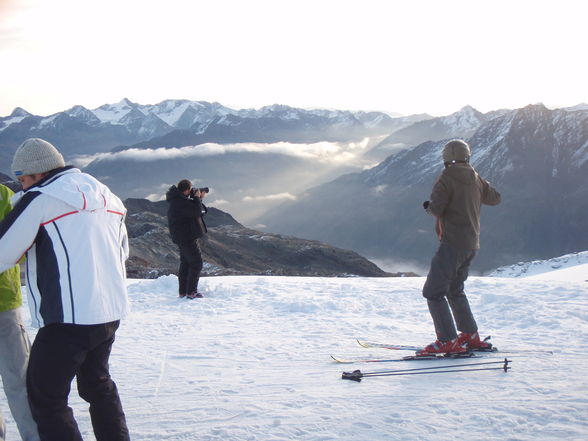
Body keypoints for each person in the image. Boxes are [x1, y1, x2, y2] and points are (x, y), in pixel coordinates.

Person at [0, 138, 131, 441]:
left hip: (66, 319)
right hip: (109, 313)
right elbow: (121, 251)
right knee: (97, 385)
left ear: (36, 173)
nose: (20, 186)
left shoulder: (40, 198)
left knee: (45, 399)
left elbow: (4, 252)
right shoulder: (107, 195)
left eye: (22, 179)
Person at [418, 139, 501, 355]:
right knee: (455, 289)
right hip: (471, 244)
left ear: (446, 159)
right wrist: (479, 185)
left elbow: (436, 208)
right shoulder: (475, 177)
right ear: (468, 156)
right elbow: (494, 198)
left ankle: (447, 340)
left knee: (433, 291)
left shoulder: (446, 178)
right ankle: (470, 336)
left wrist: (428, 208)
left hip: (452, 243)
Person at [0, 183, 40, 441]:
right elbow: (21, 247)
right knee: (19, 381)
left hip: (5, 303)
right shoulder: (4, 195)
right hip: (4, 300)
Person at [166, 179, 208, 299]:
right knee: (196, 263)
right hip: (187, 237)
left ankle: (183, 291)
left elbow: (198, 211)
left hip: (181, 237)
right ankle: (191, 292)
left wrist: (198, 199)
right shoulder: (180, 202)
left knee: (186, 263)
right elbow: (197, 212)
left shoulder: (178, 200)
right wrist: (197, 198)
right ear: (186, 190)